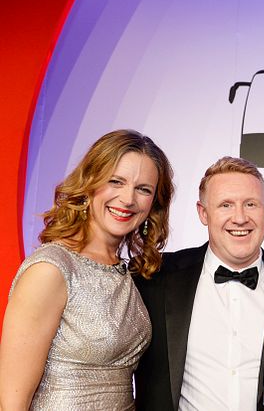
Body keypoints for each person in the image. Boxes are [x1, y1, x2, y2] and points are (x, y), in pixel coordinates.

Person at [0, 130, 174, 410]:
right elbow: (11, 403)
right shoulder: (52, 269)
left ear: (154, 202)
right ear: (90, 183)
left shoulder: (129, 273)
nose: (128, 199)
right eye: (115, 182)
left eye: (143, 189)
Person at [134, 156, 264, 411]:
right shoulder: (154, 277)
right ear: (203, 213)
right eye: (225, 205)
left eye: (251, 204)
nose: (240, 218)